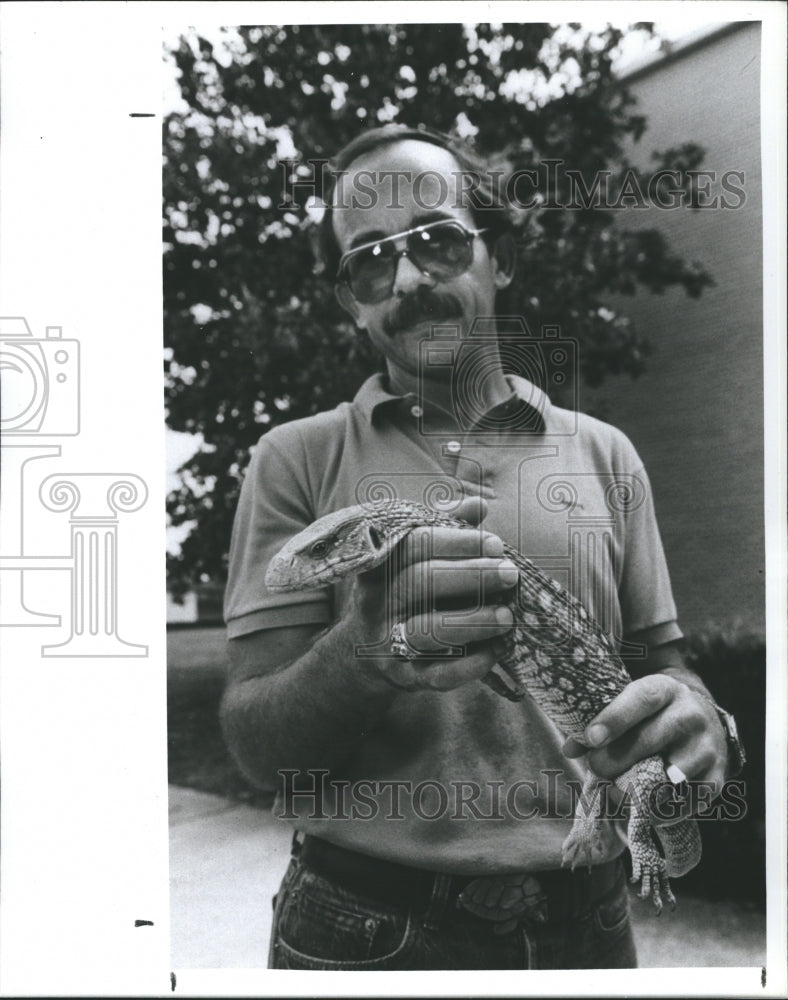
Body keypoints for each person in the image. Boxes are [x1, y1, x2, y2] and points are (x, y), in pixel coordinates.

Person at [221, 124, 742, 970]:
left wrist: (704, 722)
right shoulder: (294, 457)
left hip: (590, 922)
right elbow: (253, 747)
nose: (410, 278)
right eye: (370, 260)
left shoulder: (606, 452)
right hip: (362, 928)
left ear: (498, 255)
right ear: (350, 299)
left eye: (438, 239)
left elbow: (663, 666)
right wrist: (361, 650)